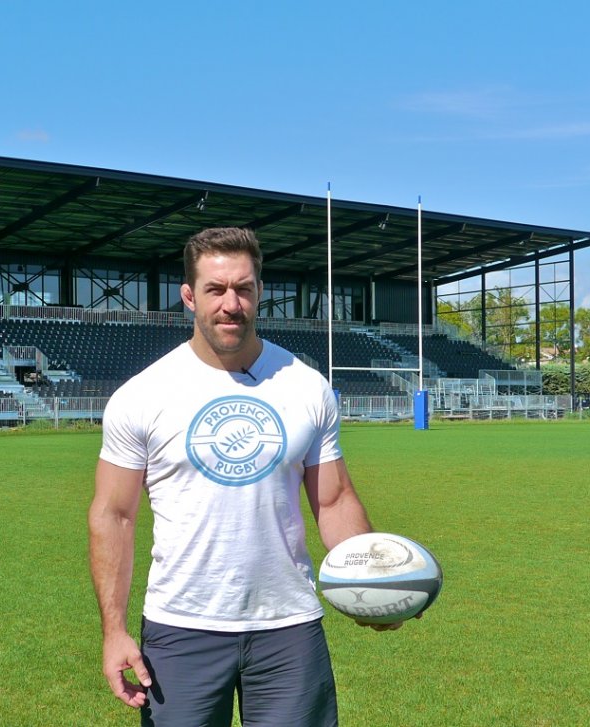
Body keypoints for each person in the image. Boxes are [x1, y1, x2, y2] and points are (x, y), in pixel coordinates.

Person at [88, 227, 411, 727]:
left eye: (243, 288)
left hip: (289, 626)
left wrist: (372, 582)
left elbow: (334, 500)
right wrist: (114, 630)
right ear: (190, 296)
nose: (231, 304)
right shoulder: (142, 395)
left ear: (260, 292)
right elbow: (114, 514)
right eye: (216, 290)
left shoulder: (306, 387)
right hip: (181, 626)